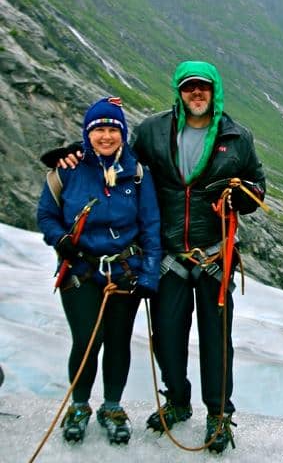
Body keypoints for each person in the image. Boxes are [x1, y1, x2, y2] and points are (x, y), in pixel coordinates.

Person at [44, 61, 266, 453]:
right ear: (178, 92)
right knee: (167, 336)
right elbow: (114, 157)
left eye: (203, 88)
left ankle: (218, 416)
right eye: (188, 88)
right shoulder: (152, 130)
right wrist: (74, 154)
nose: (196, 94)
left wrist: (243, 195)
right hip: (168, 256)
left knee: (217, 340)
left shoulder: (237, 137)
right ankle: (177, 402)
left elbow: (258, 186)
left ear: (215, 91)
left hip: (214, 255)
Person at [36, 97, 161, 444]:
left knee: (118, 341)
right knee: (88, 340)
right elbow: (46, 214)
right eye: (98, 130)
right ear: (87, 134)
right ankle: (79, 405)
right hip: (81, 271)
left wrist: (149, 275)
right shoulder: (68, 170)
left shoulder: (137, 173)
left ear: (122, 133)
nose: (106, 136)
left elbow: (150, 225)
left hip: (124, 272)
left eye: (112, 129)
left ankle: (111, 405)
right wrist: (59, 239)